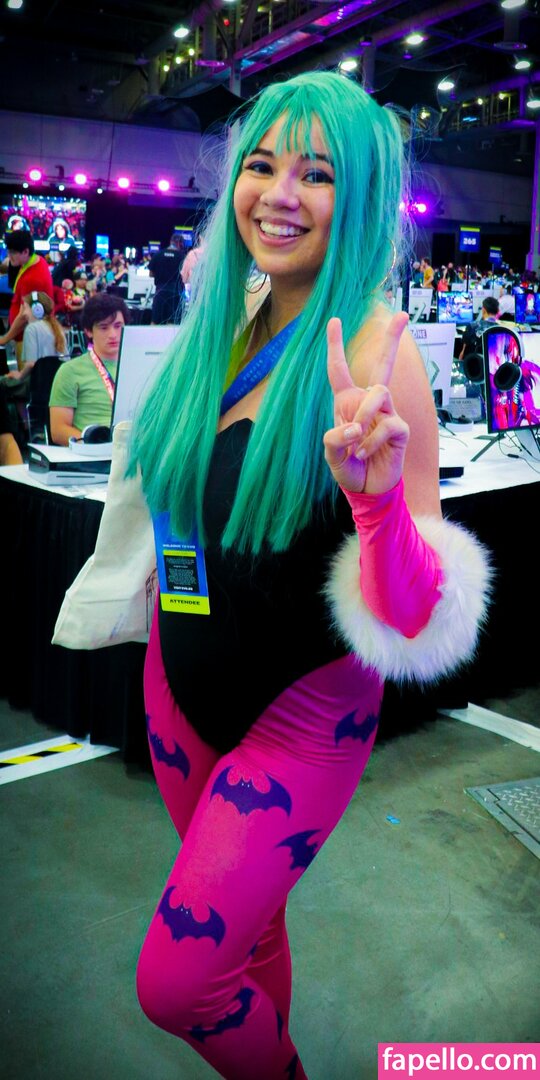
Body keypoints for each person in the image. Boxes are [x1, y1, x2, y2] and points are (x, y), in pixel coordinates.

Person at [129, 71, 491, 1080]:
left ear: (361, 196)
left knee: (179, 984)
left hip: (300, 717)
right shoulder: (228, 323)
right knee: (247, 937)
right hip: (178, 682)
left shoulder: (379, 352)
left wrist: (375, 504)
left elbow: (417, 614)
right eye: (262, 165)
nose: (280, 194)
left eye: (317, 174)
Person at [49, 293, 128, 446]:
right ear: (88, 331)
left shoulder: (139, 367)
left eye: (118, 326)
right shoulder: (70, 371)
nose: (113, 334)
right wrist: (97, 446)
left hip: (135, 447)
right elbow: (58, 431)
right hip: (94, 450)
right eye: (103, 327)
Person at [0, 291, 66, 398]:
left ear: (37, 310)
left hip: (38, 383)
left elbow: (31, 364)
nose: (23, 313)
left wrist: (20, 375)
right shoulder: (57, 328)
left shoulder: (31, 329)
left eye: (25, 308)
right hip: (55, 382)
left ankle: (24, 410)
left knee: (3, 382)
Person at [0, 230, 54, 358]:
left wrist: (4, 339)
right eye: (8, 251)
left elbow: (24, 316)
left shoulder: (33, 279)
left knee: (25, 370)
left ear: (25, 251)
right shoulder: (36, 260)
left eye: (13, 252)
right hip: (26, 335)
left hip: (27, 338)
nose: (9, 256)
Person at [149, 232, 186, 324]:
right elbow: (185, 276)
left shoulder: (158, 255)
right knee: (172, 325)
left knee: (155, 323)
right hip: (175, 294)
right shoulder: (182, 257)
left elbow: (151, 274)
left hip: (160, 292)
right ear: (180, 243)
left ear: (171, 241)